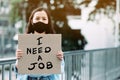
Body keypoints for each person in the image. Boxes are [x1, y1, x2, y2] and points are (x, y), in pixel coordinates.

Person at [15, 7, 64, 80]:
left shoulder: (53, 41)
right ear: (32, 21)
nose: (40, 21)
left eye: (44, 19)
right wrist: (18, 60)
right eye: (37, 18)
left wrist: (60, 59)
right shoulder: (25, 41)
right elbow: (19, 68)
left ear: (48, 22)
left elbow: (60, 68)